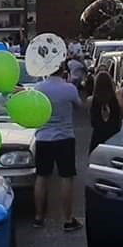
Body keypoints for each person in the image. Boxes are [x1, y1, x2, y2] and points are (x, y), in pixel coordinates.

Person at [32, 63, 82, 232]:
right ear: (63, 71)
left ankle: (39, 217)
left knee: (41, 176)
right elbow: (79, 106)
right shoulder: (69, 89)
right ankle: (68, 219)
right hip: (64, 137)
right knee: (66, 177)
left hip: (43, 137)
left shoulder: (37, 88)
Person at [89, 70, 123, 153]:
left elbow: (92, 122)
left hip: (97, 137)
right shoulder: (116, 100)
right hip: (113, 136)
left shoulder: (91, 100)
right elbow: (119, 118)